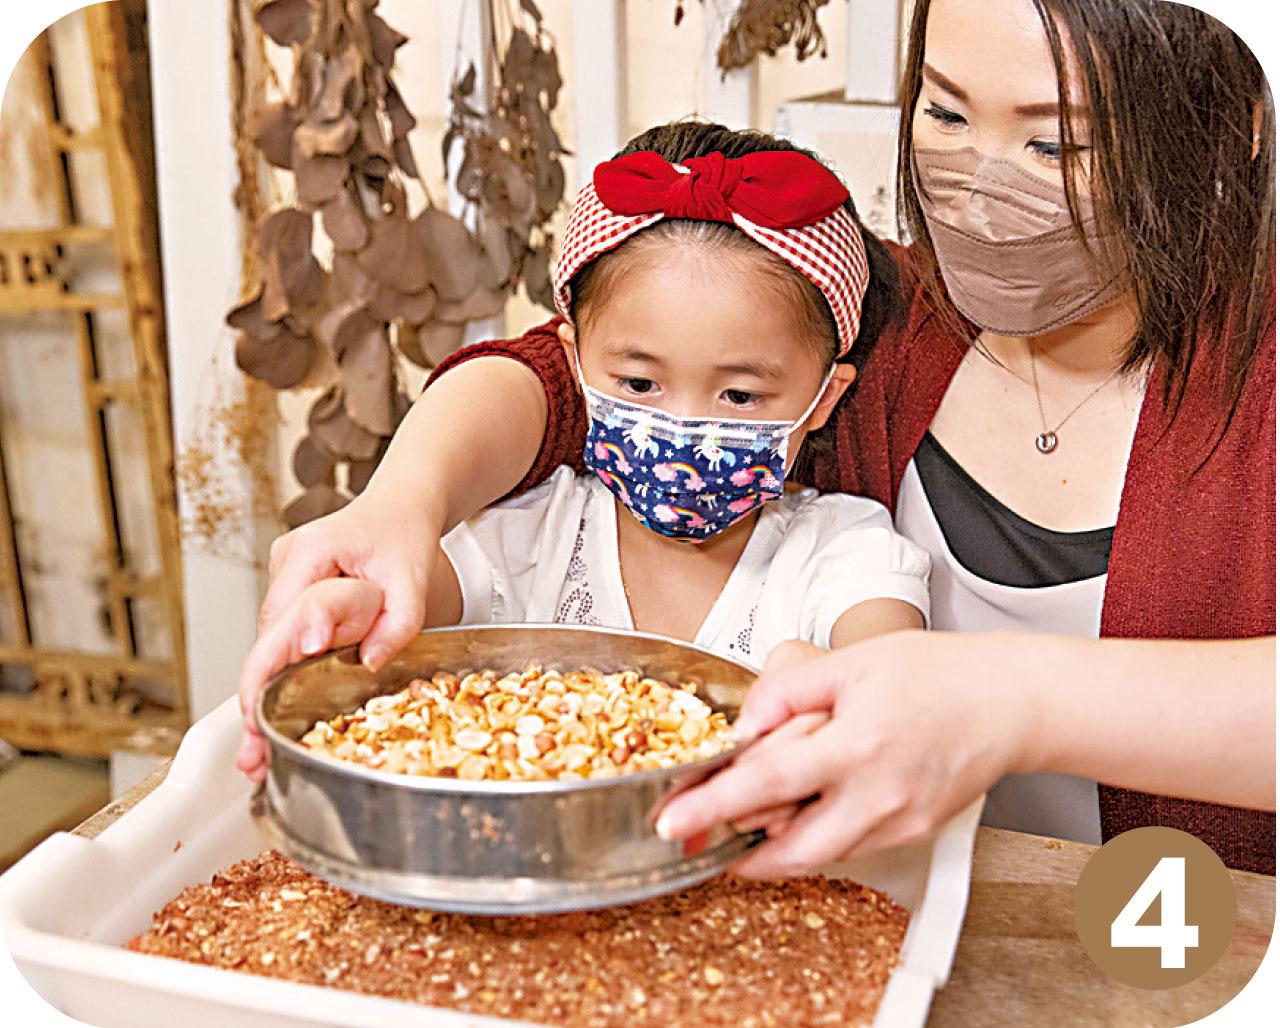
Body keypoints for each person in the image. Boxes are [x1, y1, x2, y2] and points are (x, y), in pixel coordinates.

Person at [248, 0, 1276, 873]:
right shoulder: (883, 313)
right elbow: (562, 379)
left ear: (1230, 128)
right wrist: (401, 504)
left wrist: (1007, 700)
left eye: (1054, 141)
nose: (977, 185)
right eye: (946, 112)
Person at [237, 125, 933, 783]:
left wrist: (846, 693)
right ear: (572, 364)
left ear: (824, 399)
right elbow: (403, 602)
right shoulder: (527, 534)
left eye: (740, 396)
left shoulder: (844, 553)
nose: (682, 428)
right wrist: (346, 613)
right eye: (638, 383)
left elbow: (889, 666)